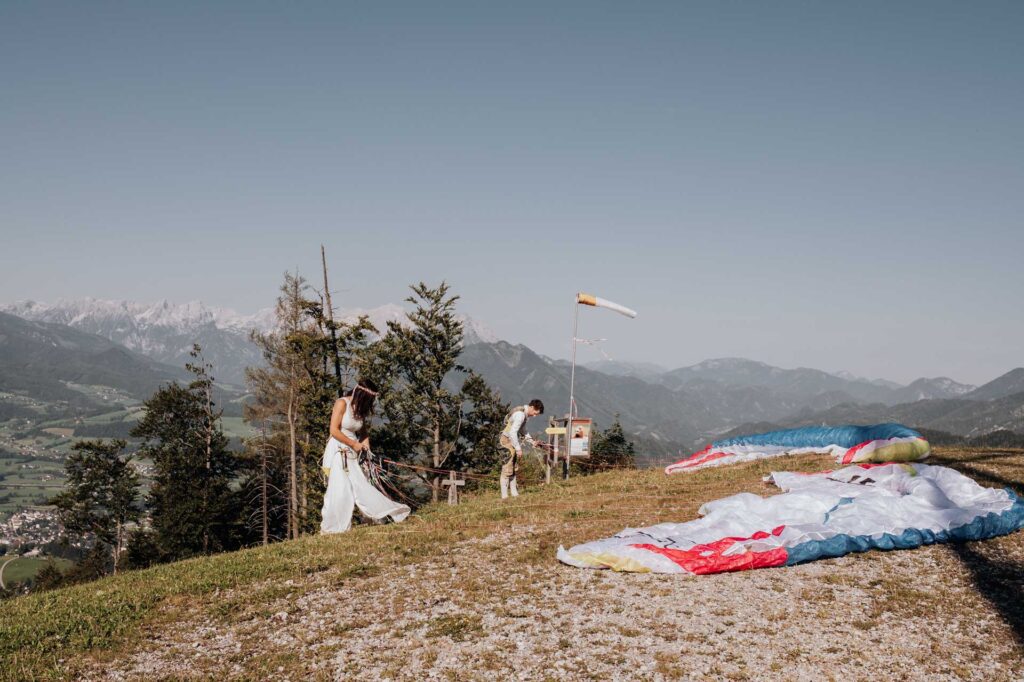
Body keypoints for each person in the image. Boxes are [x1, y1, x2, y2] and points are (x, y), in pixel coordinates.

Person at [320, 379, 410, 533]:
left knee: (361, 484)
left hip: (355, 451)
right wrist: (353, 444)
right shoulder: (342, 403)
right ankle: (334, 526)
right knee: (341, 487)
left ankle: (378, 514)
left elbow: (363, 432)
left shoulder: (359, 409)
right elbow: (334, 430)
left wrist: (366, 447)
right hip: (339, 450)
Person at [499, 399, 544, 499]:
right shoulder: (520, 415)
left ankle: (514, 493)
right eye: (535, 412)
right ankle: (504, 496)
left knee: (513, 466)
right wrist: (518, 448)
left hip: (510, 440)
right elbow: (513, 432)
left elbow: (523, 431)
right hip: (506, 440)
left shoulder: (523, 414)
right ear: (532, 407)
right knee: (508, 465)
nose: (535, 415)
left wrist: (532, 442)